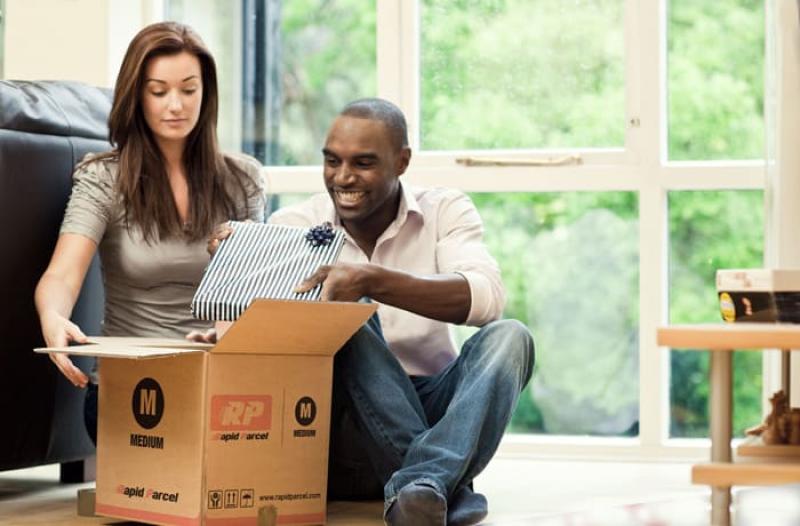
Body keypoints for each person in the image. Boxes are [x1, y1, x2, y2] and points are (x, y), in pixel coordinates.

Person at [267, 98, 534, 526]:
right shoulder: (294, 224)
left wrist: (373, 280)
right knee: (349, 314)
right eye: (332, 161)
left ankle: (421, 486)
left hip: (433, 411)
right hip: (345, 430)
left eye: (363, 163)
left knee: (512, 337)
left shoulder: (444, 210)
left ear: (402, 161)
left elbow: (486, 298)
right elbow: (268, 330)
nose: (343, 177)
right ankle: (437, 484)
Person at [35, 21, 266, 444]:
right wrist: (53, 317)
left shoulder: (243, 179)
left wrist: (249, 262)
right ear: (136, 95)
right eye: (158, 91)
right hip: (133, 391)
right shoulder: (103, 178)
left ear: (206, 92)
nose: (175, 105)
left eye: (189, 89)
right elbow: (62, 275)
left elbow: (261, 298)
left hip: (222, 389)